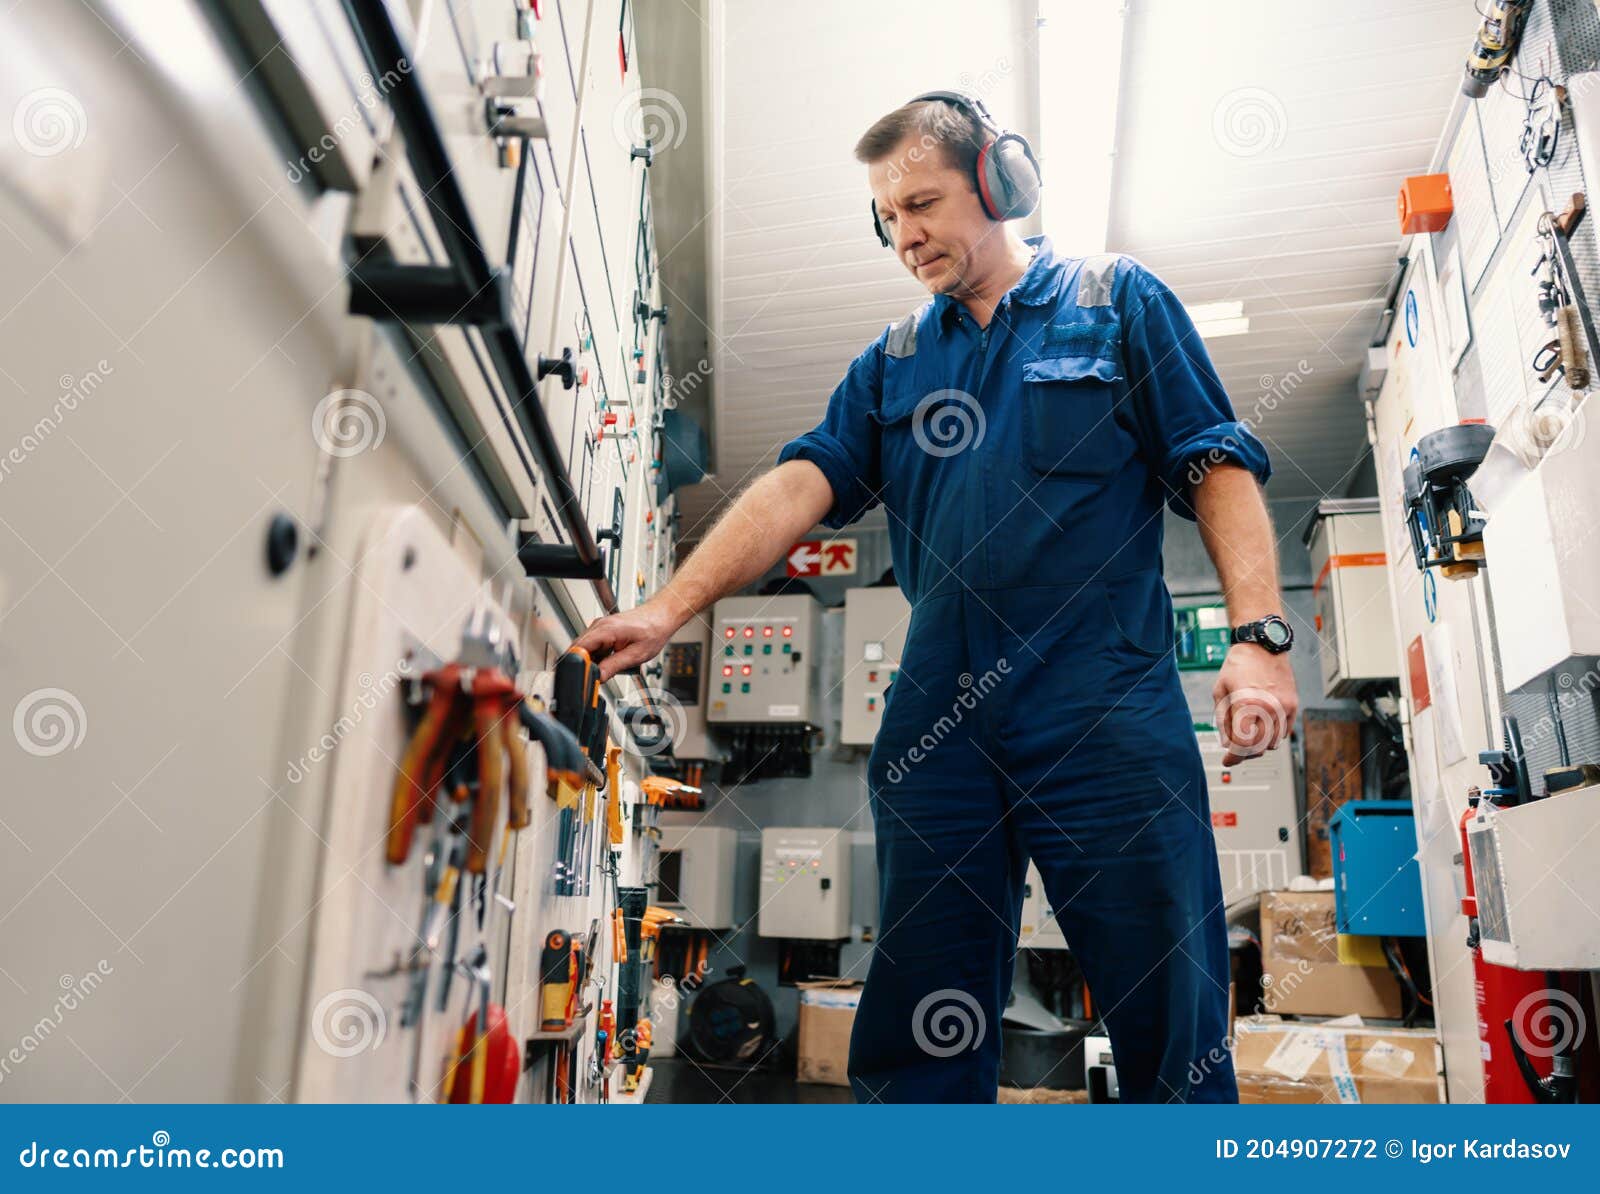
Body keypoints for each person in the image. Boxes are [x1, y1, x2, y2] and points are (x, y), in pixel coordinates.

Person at [575, 92, 1298, 1102]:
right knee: (919, 1002)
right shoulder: (895, 361)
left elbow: (1215, 461)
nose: (902, 234)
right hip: (939, 709)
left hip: (1101, 701)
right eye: (886, 216)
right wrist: (667, 608)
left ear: (1002, 184)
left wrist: (1258, 635)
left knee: (1164, 999)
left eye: (920, 202)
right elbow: (804, 481)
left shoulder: (1117, 300)